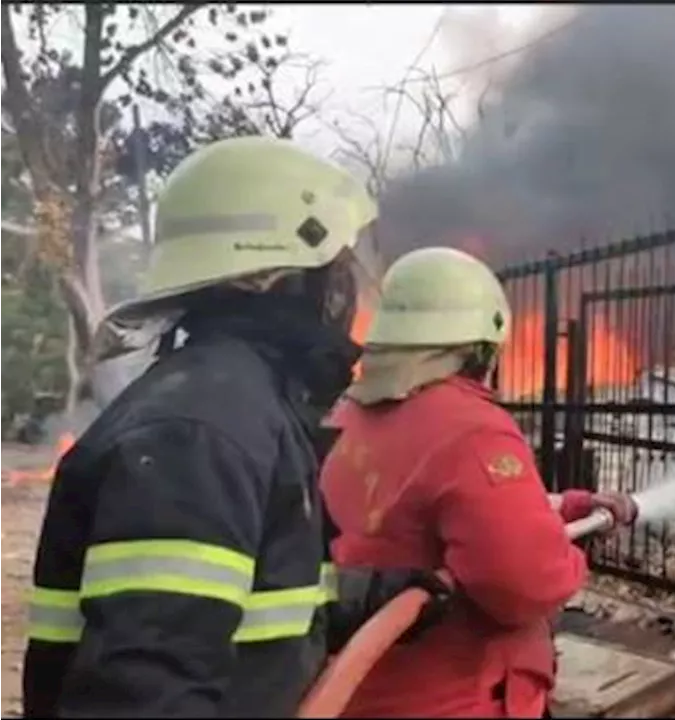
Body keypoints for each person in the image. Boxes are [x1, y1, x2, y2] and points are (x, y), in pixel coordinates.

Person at [21, 136, 403, 717]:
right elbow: (146, 695)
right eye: (336, 268)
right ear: (274, 275)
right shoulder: (200, 431)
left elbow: (262, 597)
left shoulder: (235, 405)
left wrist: (389, 590)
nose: (347, 290)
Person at [320, 246, 639, 718]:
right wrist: (566, 558)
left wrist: (573, 504)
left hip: (360, 690)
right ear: (482, 347)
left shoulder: (345, 416)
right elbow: (523, 585)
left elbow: (434, 510)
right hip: (455, 697)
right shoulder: (469, 426)